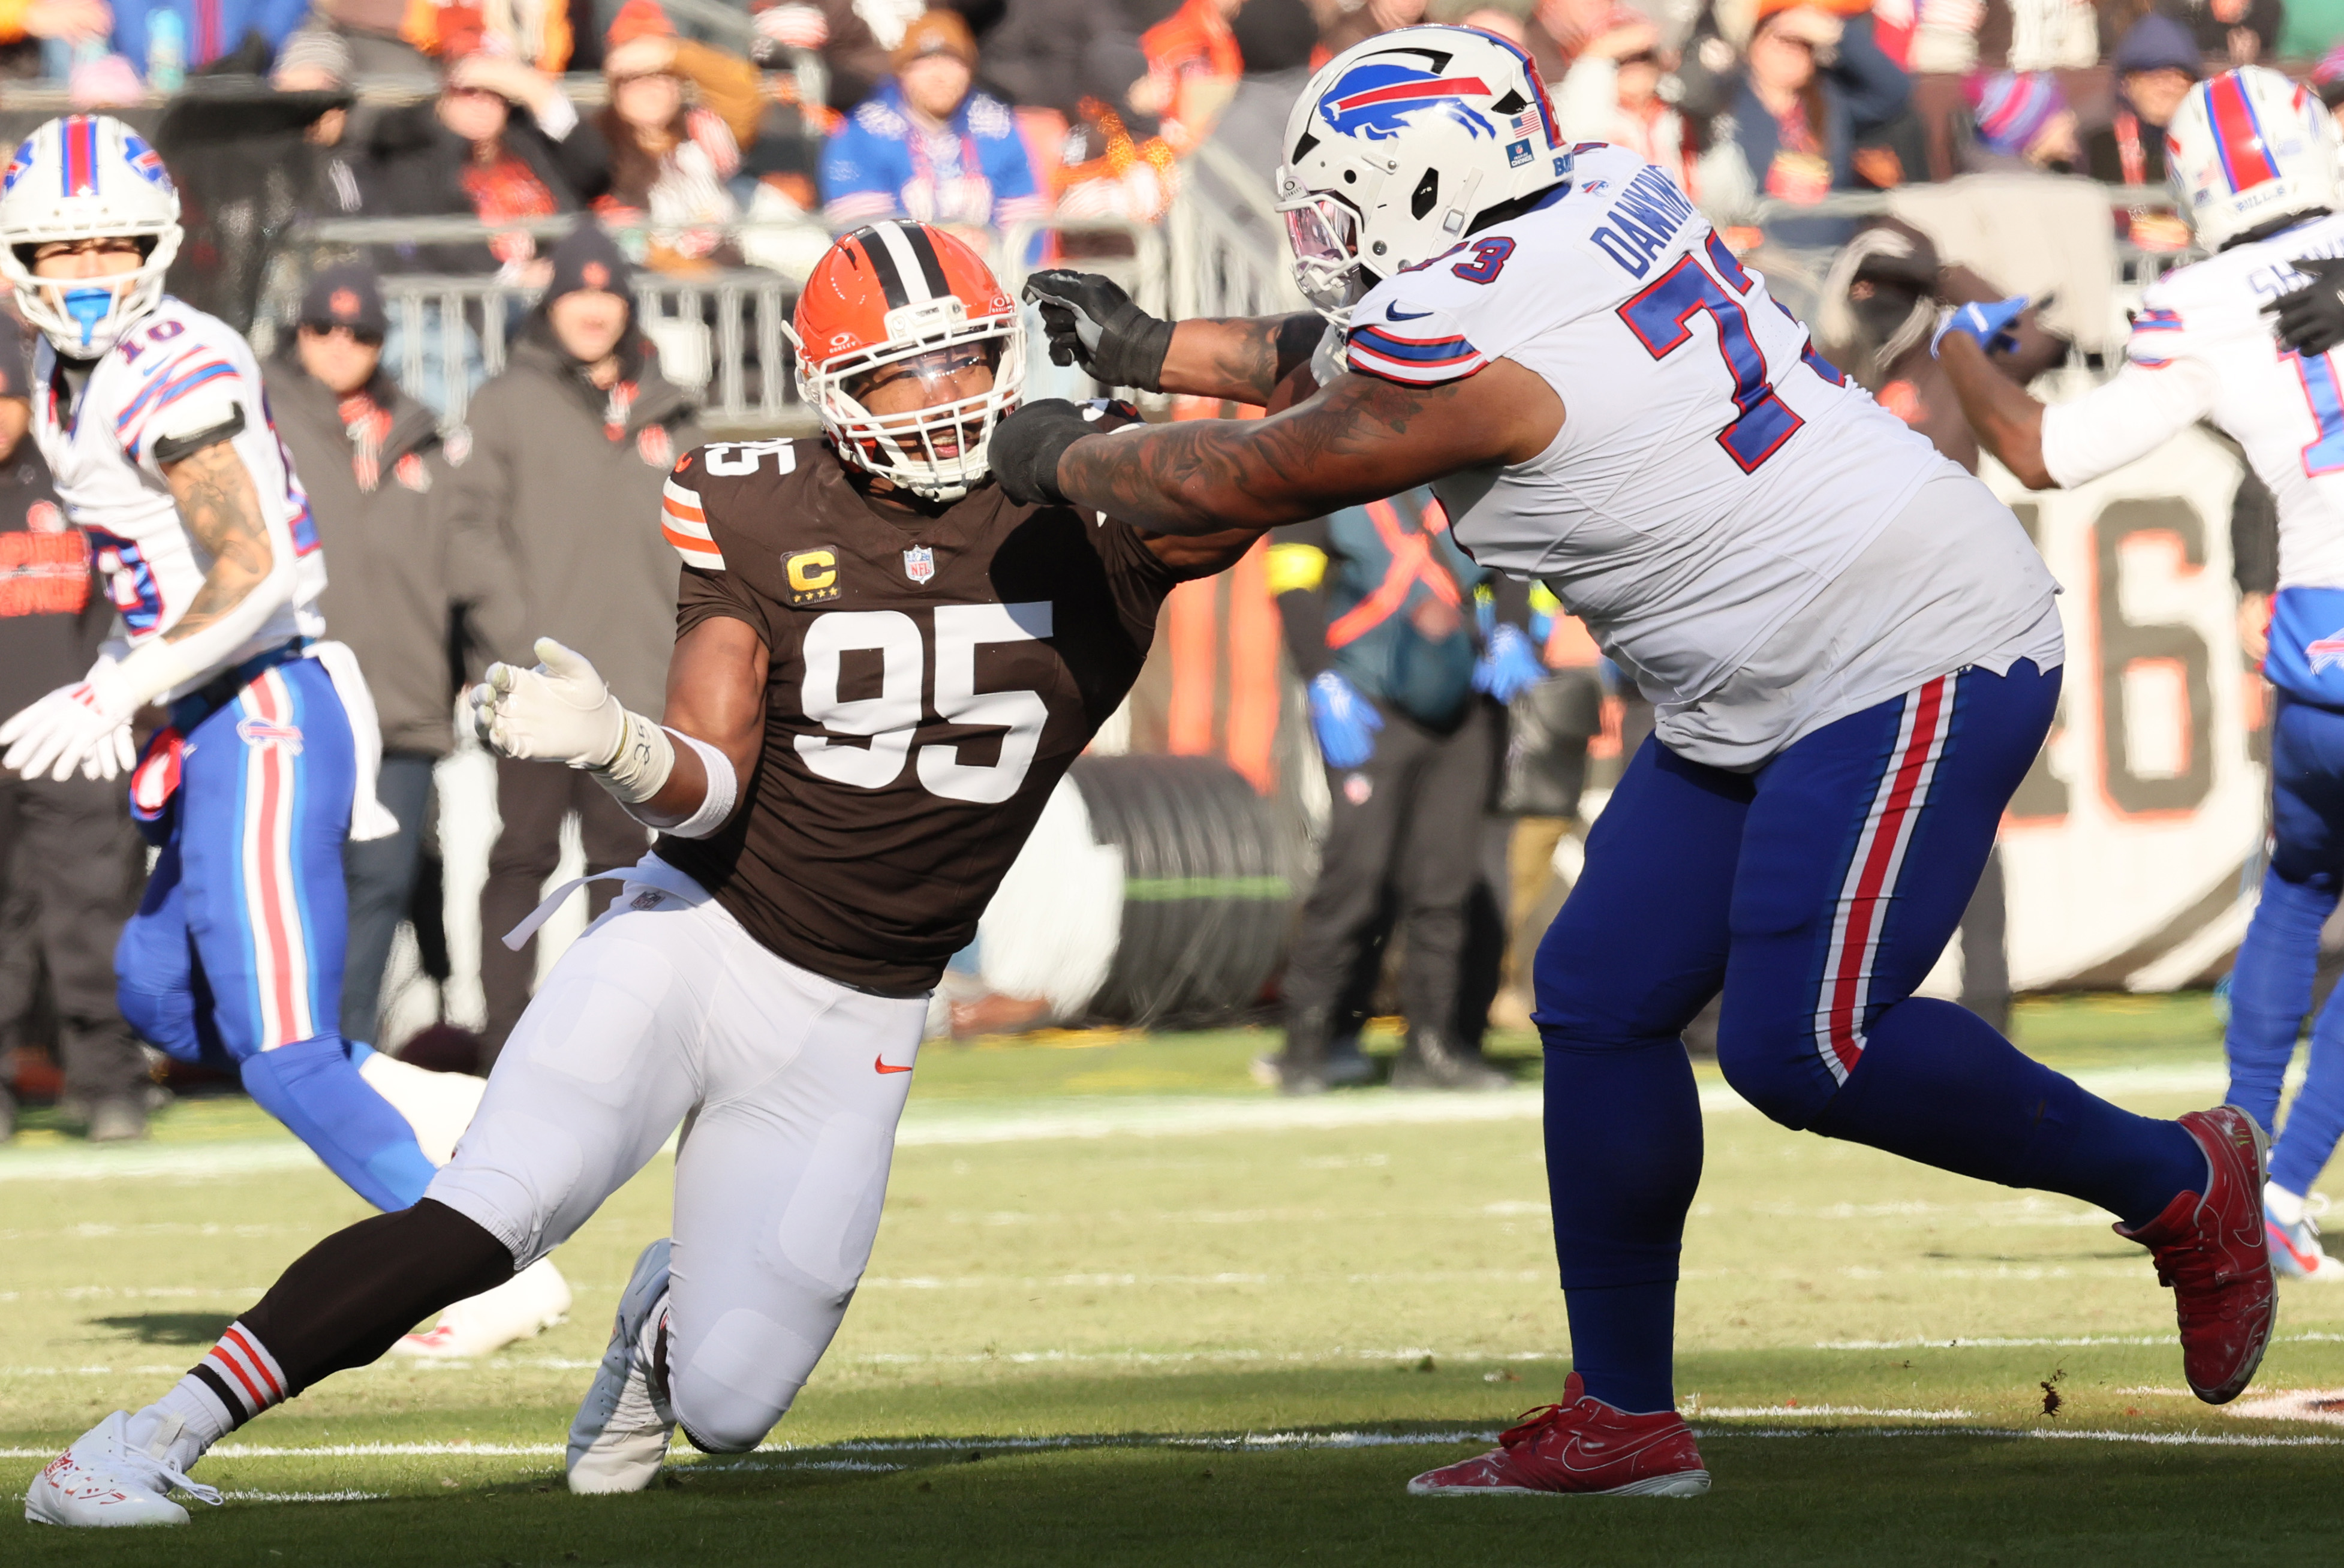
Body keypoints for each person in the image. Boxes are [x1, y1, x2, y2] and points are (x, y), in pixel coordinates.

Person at [999, 26, 2274, 1497]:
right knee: (1600, 994)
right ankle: (1622, 1412)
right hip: (1767, 667)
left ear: (1426, 180)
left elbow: (1256, 470)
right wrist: (1149, 348)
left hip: (1902, 645)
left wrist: (1055, 451)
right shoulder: (1586, 195)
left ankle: (2182, 1182)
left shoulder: (1471, 352)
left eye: (1347, 200)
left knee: (1808, 1047)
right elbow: (1342, 358)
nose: (1327, 238)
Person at [25, 219, 1272, 1526]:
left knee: (729, 1406)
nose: (942, 402)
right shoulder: (757, 496)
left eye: (962, 361)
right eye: (900, 376)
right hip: (701, 931)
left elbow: (1347, 423)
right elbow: (717, 777)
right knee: (488, 1217)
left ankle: (656, 1324)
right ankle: (138, 1437)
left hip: (864, 1004)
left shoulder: (1104, 508)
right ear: (828, 390)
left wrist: (1157, 352)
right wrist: (620, 744)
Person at [0, 113, 573, 1355]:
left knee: (280, 1052)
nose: (89, 271)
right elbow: (151, 562)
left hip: (264, 701)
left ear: (156, 247)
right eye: (63, 248)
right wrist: (132, 677)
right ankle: (423, 1095)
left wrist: (115, 683)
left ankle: (483, 1261)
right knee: (157, 990)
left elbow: (251, 570)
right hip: (198, 705)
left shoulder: (170, 363)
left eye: (112, 244)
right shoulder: (56, 374)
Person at [1939, 67, 2344, 1286]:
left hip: (2318, 634)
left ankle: (2239, 1162)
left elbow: (2039, 447)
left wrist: (1963, 347)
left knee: (2295, 885)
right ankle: (2276, 1183)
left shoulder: (2202, 299)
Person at [450, 224, 701, 1068]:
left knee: (623, 863)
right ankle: (502, 1040)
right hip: (535, 686)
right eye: (574, 294)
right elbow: (469, 533)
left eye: (607, 294)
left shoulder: (672, 406)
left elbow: (700, 546)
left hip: (638, 683)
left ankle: (608, 1039)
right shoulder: (504, 402)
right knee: (520, 853)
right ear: (549, 305)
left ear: (626, 306)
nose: (592, 311)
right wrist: (519, 646)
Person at [1261, 487, 1541, 1093]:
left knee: (1448, 884)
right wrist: (1321, 680)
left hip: (1465, 705)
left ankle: (1434, 1048)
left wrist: (1515, 632)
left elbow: (1512, 568)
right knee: (1355, 877)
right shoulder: (1322, 484)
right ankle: (1308, 1045)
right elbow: (1292, 584)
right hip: (1365, 703)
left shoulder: (1470, 479)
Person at [0, 321, 148, 1143]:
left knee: (94, 917)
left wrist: (107, 697)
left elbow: (121, 602)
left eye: (4, 398)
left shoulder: (76, 483)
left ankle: (108, 1080)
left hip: (73, 740)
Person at [1699, 0, 1911, 248]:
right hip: (1758, 254)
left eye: (1803, 44)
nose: (1792, 51)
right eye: (1782, 40)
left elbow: (1894, 91)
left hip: (1830, 253)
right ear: (1754, 44)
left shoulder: (1830, 102)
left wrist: (1837, 33)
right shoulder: (1725, 101)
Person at [819, 9, 1049, 237]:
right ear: (902, 72)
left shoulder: (998, 129)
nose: (939, 76)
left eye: (952, 62)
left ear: (970, 70)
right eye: (924, 63)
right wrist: (943, 247)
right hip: (900, 269)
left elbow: (1027, 229)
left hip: (989, 267)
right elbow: (860, 234)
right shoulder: (862, 134)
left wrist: (993, 249)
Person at [592, 0, 763, 275]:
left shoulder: (700, 130)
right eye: (636, 79)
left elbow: (745, 97)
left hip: (729, 270)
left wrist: (677, 54)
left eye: (663, 77)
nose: (651, 90)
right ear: (615, 89)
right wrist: (702, 278)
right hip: (658, 288)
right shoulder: (599, 147)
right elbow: (635, 246)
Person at [2083, 14, 2197, 253]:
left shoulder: (2204, 144)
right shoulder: (2097, 144)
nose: (2167, 87)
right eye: (2154, 76)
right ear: (2127, 83)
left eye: (2178, 77)